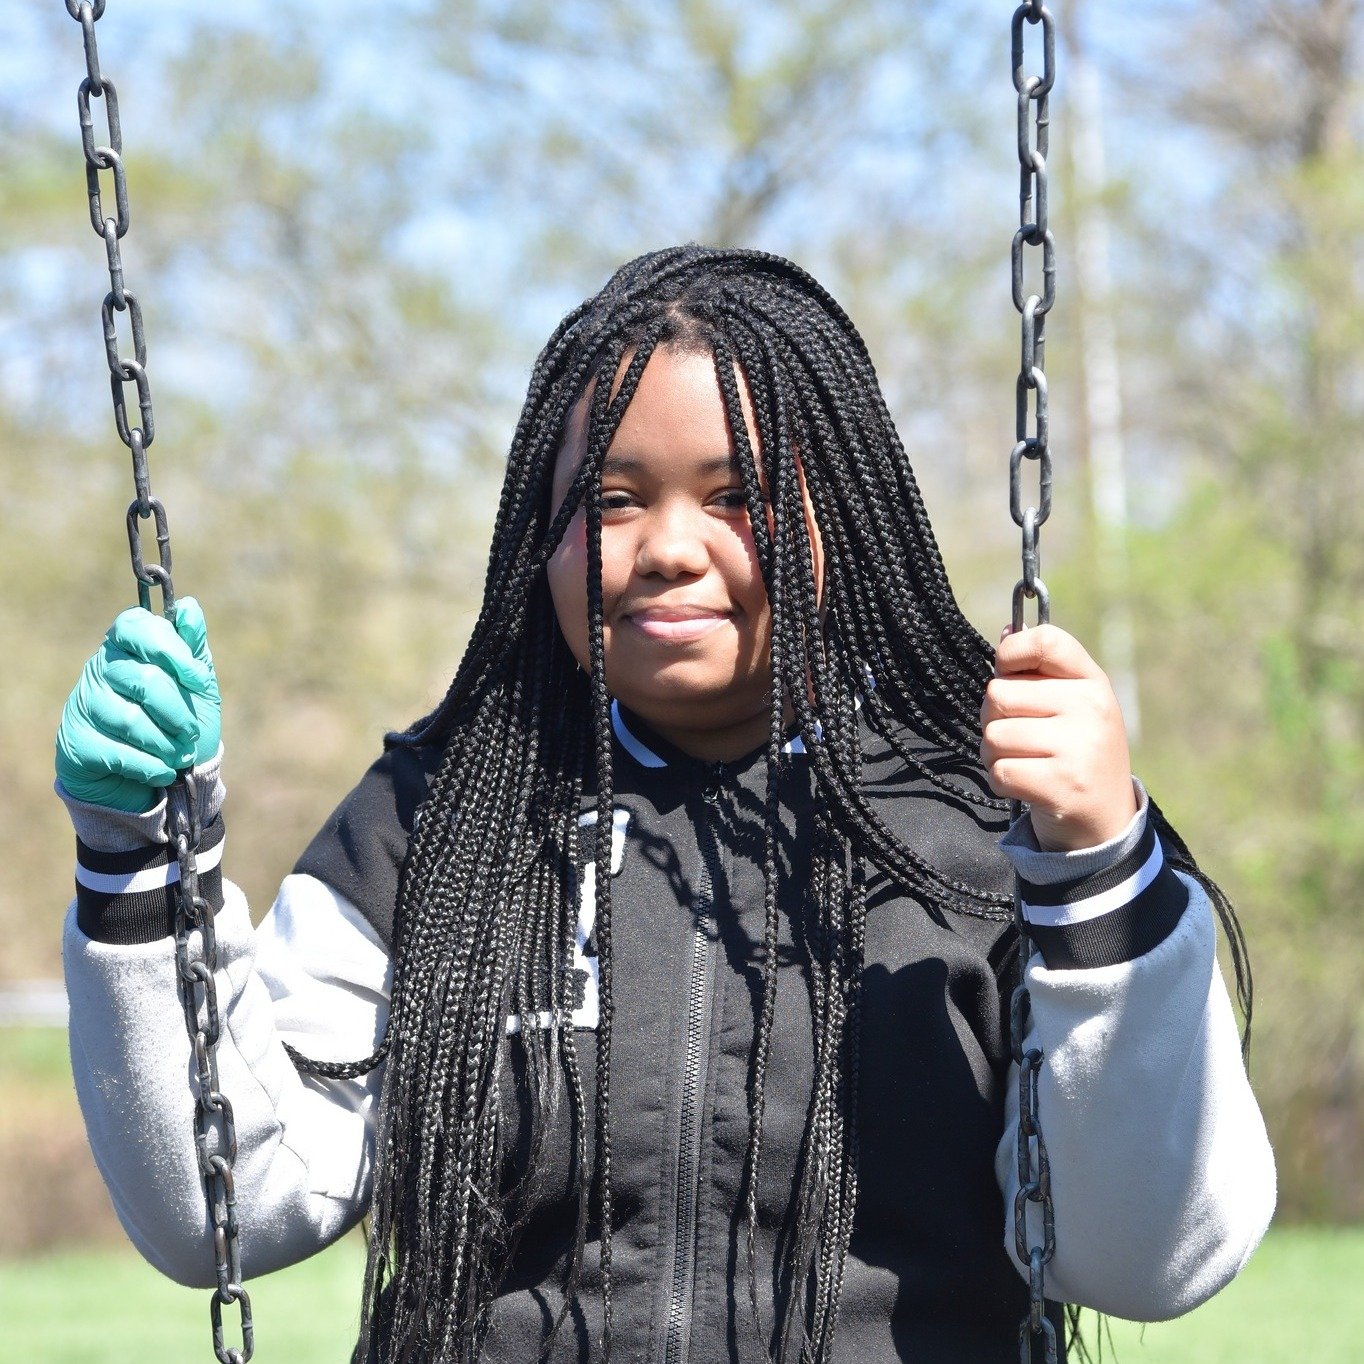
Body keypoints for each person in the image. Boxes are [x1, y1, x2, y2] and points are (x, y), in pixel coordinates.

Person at [55, 244, 1275, 1364]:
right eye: (613, 496)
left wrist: (1099, 867)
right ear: (540, 544)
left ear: (838, 524)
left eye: (735, 494)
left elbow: (1148, 1258)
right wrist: (138, 863)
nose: (666, 546)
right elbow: (227, 1205)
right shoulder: (437, 821)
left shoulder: (985, 827)